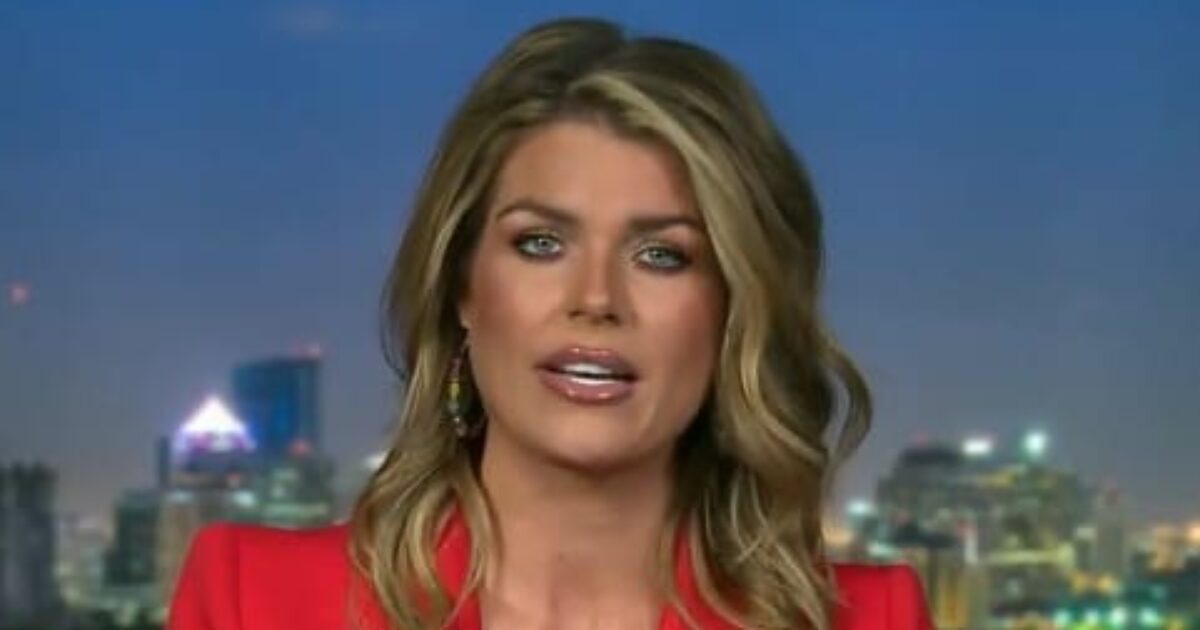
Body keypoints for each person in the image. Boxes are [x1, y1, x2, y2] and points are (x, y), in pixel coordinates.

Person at [168, 16, 933, 630]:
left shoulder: (873, 618)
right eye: (540, 243)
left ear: (734, 308)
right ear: (464, 285)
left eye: (662, 255)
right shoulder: (254, 600)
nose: (595, 297)